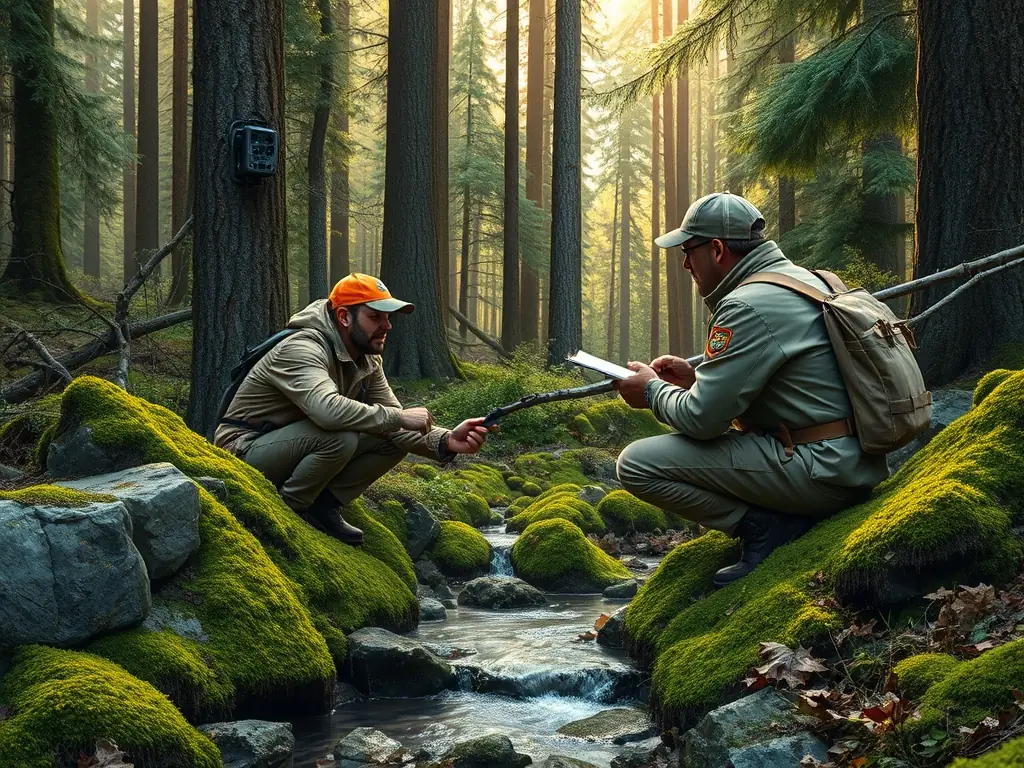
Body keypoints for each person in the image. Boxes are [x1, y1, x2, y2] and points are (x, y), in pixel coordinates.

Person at [613, 192, 889, 587]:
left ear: (718, 249)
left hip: (823, 472)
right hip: (854, 460)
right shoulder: (804, 280)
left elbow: (703, 420)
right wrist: (694, 381)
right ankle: (782, 514)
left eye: (688, 250)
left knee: (637, 464)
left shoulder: (747, 304)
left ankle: (765, 528)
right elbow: (794, 382)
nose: (685, 262)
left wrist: (652, 392)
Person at [214, 273, 492, 545]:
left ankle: (322, 505)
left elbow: (396, 425)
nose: (387, 326)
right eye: (375, 317)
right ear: (345, 317)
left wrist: (446, 441)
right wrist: (398, 417)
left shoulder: (368, 359)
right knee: (342, 436)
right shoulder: (302, 347)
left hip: (293, 447)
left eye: (388, 317)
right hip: (243, 450)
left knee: (391, 435)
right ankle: (288, 510)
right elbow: (327, 412)